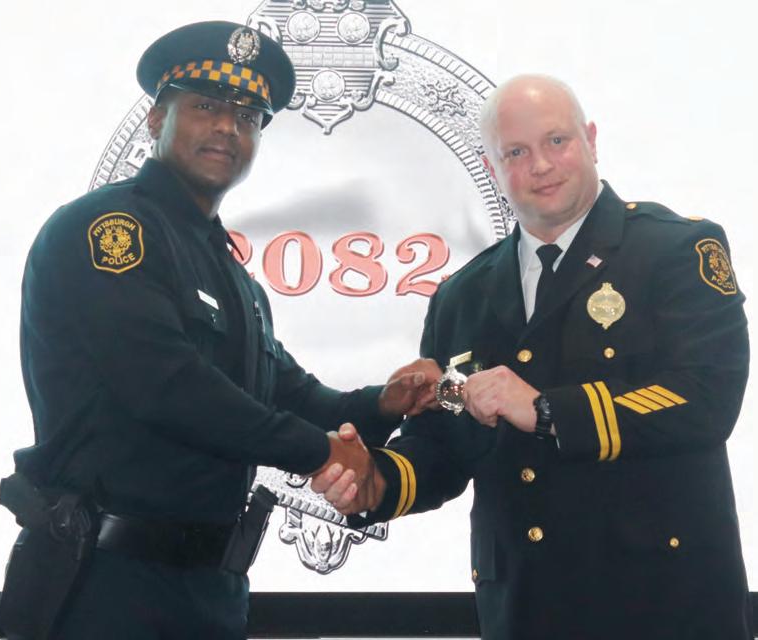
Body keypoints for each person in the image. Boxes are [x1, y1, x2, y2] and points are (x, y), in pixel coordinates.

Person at [0, 20, 440, 640]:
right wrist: (321, 453)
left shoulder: (232, 273)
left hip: (209, 590)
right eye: (206, 107)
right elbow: (166, 387)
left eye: (248, 117)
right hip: (104, 583)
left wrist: (379, 405)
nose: (228, 128)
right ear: (157, 119)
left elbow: (288, 392)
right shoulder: (110, 230)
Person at [313, 74, 752, 639]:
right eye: (516, 153)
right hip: (523, 607)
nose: (541, 165)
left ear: (591, 141)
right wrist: (378, 480)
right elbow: (444, 443)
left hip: (660, 603)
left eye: (556, 141)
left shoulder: (674, 248)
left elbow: (707, 400)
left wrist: (548, 410)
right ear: (492, 168)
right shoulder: (462, 294)